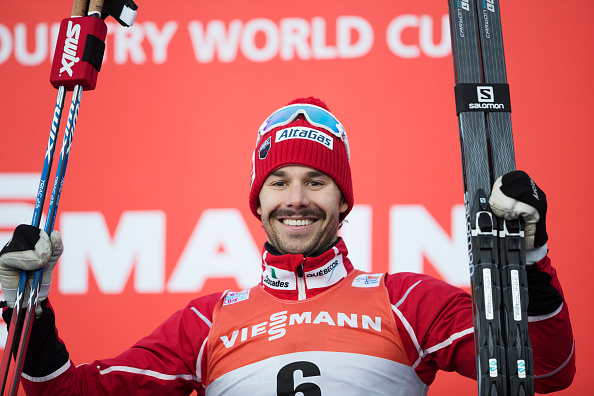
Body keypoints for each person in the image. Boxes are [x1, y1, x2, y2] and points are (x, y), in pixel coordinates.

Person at [0, 97, 575, 395]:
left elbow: (546, 369)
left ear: (343, 201)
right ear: (257, 203)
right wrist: (27, 313)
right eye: (278, 182)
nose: (296, 198)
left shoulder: (406, 302)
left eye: (317, 181)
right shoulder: (206, 322)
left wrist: (529, 259)